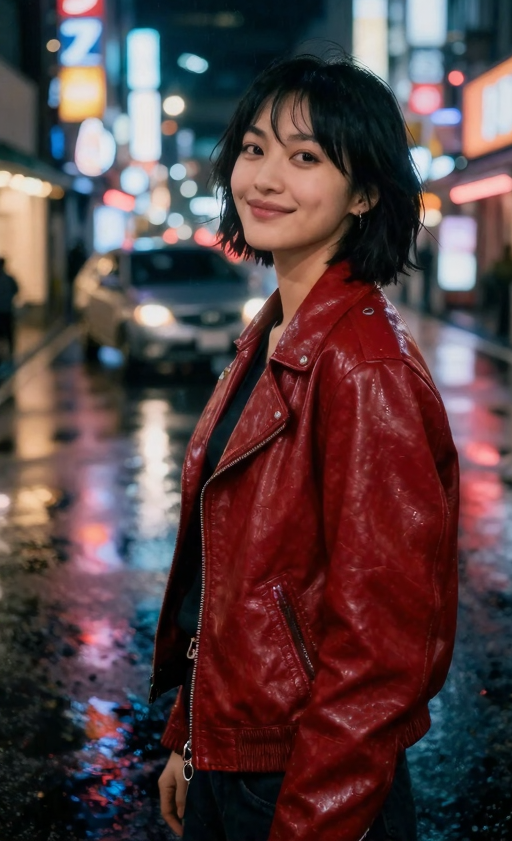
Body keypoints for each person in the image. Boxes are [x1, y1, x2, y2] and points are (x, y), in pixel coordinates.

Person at [151, 55, 459, 841]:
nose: (264, 178)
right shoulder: (273, 336)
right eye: (254, 150)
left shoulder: (359, 366)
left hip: (306, 781)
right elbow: (232, 583)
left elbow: (384, 649)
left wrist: (317, 816)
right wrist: (192, 739)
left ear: (364, 194)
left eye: (305, 157)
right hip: (239, 758)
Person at [487, 243, 512, 339]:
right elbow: (494, 276)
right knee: (501, 312)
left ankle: (507, 330)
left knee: (510, 312)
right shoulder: (501, 264)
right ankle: (502, 330)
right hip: (501, 291)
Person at [0, 257, 19, 366]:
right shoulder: (9, 279)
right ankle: (10, 353)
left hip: (3, 310)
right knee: (8, 333)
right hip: (7, 310)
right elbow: (16, 290)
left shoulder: (8, 279)